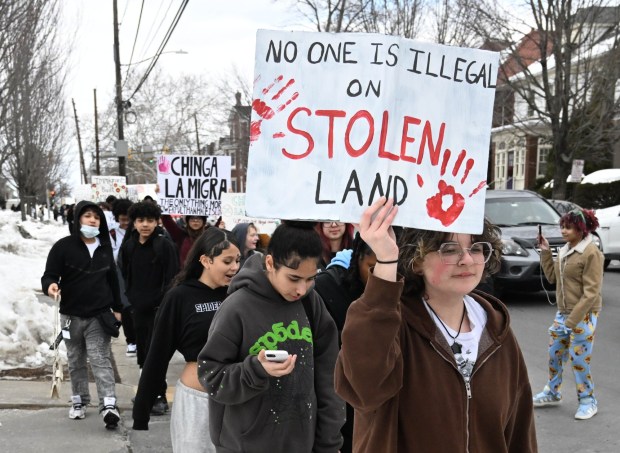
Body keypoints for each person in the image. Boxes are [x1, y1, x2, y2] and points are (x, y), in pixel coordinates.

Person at [334, 197, 537, 452]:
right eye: (449, 249)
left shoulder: (497, 330)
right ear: (417, 260)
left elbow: (519, 431)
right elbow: (363, 389)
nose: (466, 259)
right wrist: (386, 260)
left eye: (476, 248)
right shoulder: (388, 322)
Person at [198, 221, 345, 453]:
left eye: (310, 279)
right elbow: (211, 377)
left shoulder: (311, 303)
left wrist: (329, 442)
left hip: (304, 444)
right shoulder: (236, 308)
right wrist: (255, 369)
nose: (301, 289)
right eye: (294, 278)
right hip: (245, 445)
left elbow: (329, 378)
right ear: (270, 263)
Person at [133, 228, 240, 452]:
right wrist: (142, 410)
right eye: (227, 261)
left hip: (238, 401)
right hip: (197, 402)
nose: (235, 267)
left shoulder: (239, 295)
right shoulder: (180, 297)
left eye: (238, 260)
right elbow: (158, 353)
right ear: (206, 260)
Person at [41, 200, 123, 429]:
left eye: (96, 217)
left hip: (98, 315)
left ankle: (108, 405)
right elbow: (49, 275)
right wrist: (51, 286)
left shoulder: (105, 248)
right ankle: (79, 401)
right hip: (70, 316)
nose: (93, 220)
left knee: (100, 359)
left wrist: (118, 309)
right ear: (78, 220)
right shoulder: (63, 247)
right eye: (87, 216)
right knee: (76, 360)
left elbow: (113, 281)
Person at [534, 207, 603, 420]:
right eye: (562, 227)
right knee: (555, 354)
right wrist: (546, 252)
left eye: (569, 228)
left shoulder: (591, 253)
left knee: (578, 359)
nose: (563, 231)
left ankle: (588, 400)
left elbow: (591, 293)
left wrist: (572, 321)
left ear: (581, 229)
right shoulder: (565, 249)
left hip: (583, 314)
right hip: (563, 313)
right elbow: (553, 278)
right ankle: (553, 392)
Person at [314, 233, 376, 453]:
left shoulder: (401, 289)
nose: (381, 277)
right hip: (339, 400)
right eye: (372, 267)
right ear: (357, 257)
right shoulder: (326, 287)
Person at [119, 201, 179, 415]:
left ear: (156, 222)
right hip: (138, 310)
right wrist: (128, 302)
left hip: (158, 309)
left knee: (158, 353)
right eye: (141, 220)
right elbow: (124, 275)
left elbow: (173, 277)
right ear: (134, 222)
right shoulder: (129, 247)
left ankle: (159, 395)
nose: (145, 225)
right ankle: (148, 391)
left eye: (150, 220)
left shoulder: (164, 246)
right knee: (144, 354)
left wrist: (164, 303)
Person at [111, 198, 136, 356]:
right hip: (120, 272)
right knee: (125, 305)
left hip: (137, 272)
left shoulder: (137, 230)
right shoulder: (113, 233)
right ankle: (131, 340)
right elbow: (111, 254)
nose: (126, 222)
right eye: (122, 219)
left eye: (128, 219)